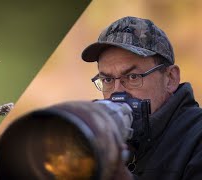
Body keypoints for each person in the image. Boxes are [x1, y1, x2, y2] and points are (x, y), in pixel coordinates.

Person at [81, 16, 202, 180]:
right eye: (108, 80)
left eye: (132, 77)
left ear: (170, 78)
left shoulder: (196, 138)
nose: (118, 92)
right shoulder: (104, 136)